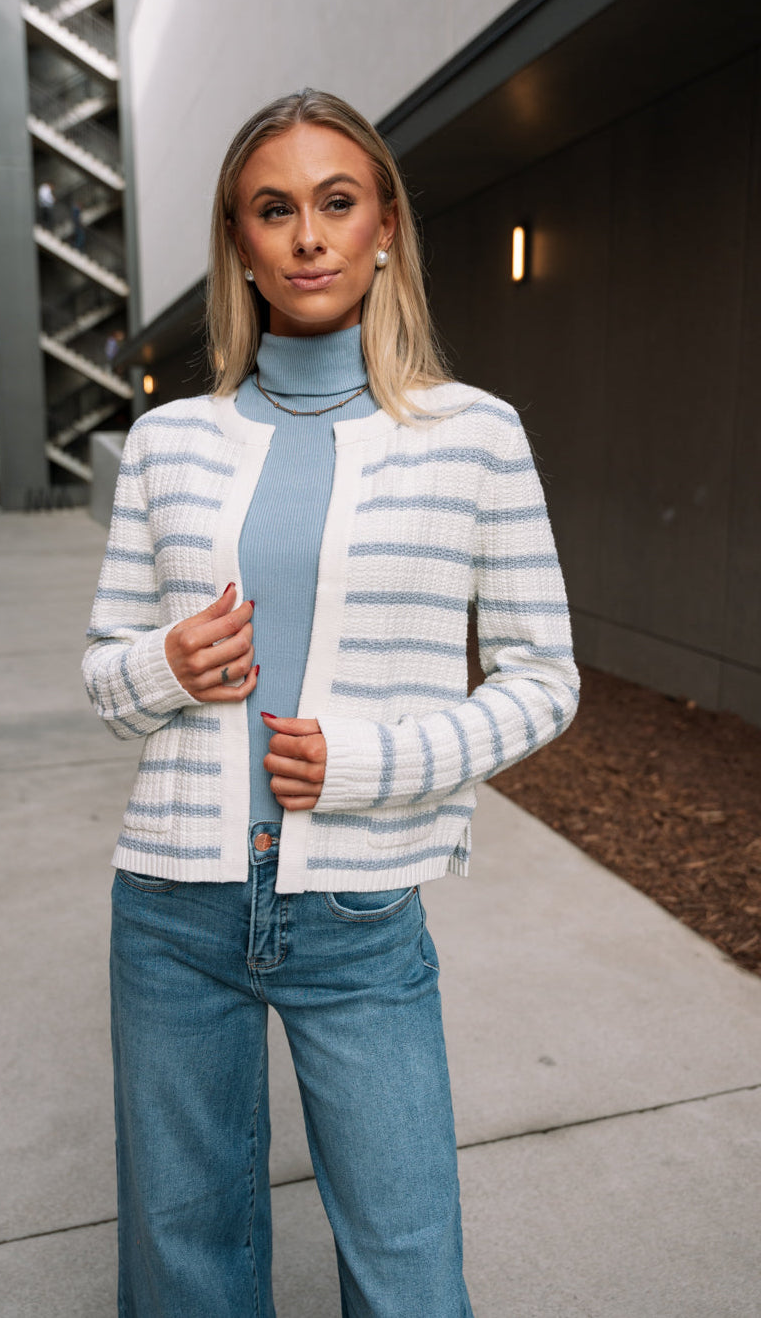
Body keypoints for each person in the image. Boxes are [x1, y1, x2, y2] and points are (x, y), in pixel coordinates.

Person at [83, 89, 579, 1317]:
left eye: (335, 202)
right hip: (170, 911)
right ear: (241, 245)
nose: (307, 234)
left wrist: (371, 761)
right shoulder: (166, 443)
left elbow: (543, 678)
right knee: (183, 1261)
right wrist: (166, 668)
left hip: (359, 914)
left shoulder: (474, 435)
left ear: (384, 230)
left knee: (407, 1264)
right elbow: (105, 673)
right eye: (274, 209)